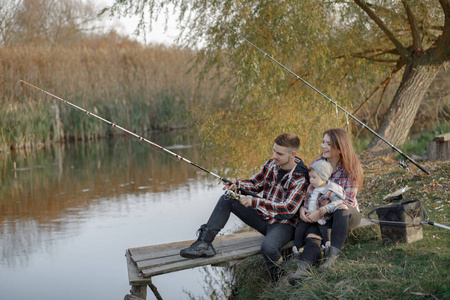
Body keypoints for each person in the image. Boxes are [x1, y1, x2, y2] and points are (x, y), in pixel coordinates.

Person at [179, 132, 309, 283]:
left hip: (284, 224)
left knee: (268, 248)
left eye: (279, 153)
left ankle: (280, 282)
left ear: (293, 154)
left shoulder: (300, 177)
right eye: (274, 150)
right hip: (264, 217)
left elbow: (287, 209)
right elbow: (255, 183)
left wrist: (254, 202)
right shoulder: (272, 164)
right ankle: (204, 244)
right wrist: (237, 184)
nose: (274, 155)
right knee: (228, 197)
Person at [288, 128, 363, 285]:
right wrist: (303, 208)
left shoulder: (351, 168)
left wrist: (321, 211)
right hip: (321, 215)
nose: (323, 146)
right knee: (313, 235)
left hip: (345, 215)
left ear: (340, 147)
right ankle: (302, 270)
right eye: (323, 142)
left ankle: (332, 257)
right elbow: (308, 191)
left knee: (340, 209)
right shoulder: (317, 164)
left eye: (328, 144)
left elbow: (346, 201)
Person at [292, 159, 345, 253]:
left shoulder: (330, 190)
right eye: (310, 177)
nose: (310, 180)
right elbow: (306, 200)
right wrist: (303, 208)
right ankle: (298, 248)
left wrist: (326, 208)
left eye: (314, 177)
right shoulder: (311, 188)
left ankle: (327, 246)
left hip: (323, 217)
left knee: (325, 230)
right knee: (299, 229)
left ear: (323, 177)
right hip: (309, 215)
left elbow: (338, 202)